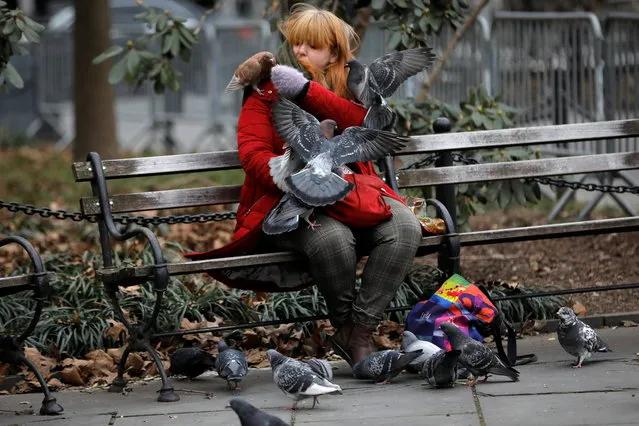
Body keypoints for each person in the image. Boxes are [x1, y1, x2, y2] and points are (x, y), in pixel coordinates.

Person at [185, 4, 422, 367]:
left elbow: (365, 124)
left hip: (352, 199)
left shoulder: (353, 90)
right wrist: (297, 179)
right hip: (289, 207)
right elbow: (252, 154)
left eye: (311, 45)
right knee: (333, 240)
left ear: (334, 53)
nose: (299, 52)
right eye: (296, 44)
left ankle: (356, 333)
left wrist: (307, 91)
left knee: (404, 227)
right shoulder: (266, 90)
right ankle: (349, 330)